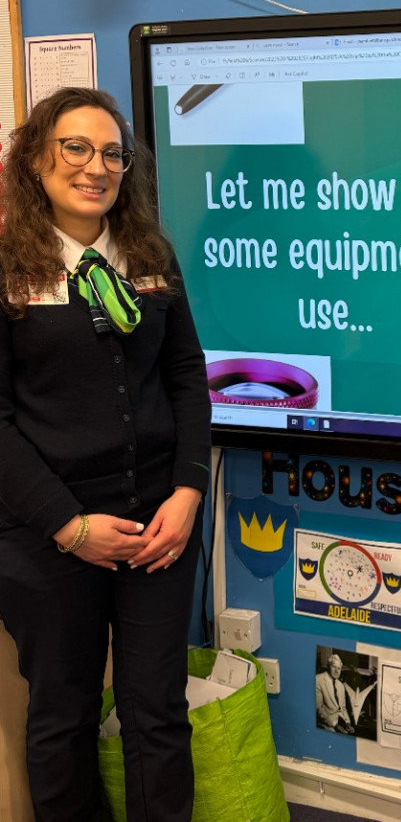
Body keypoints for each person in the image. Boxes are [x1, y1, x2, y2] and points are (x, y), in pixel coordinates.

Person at [0, 88, 211, 822]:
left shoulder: (148, 256)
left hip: (158, 527)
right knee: (63, 718)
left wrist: (187, 494)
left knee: (159, 715)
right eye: (76, 148)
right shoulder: (7, 268)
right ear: (35, 158)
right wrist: (68, 526)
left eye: (112, 153)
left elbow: (186, 376)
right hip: (46, 535)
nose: (97, 167)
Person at [315, 653, 355, 734]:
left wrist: (347, 723)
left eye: (339, 668)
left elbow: (343, 708)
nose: (337, 671)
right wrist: (335, 725)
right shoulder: (318, 679)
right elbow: (319, 708)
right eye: (334, 667)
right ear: (328, 666)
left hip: (340, 720)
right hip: (325, 722)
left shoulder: (340, 685)